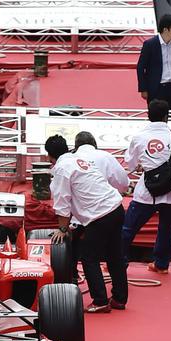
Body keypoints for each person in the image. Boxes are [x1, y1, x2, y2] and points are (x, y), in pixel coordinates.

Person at [46, 134, 128, 313]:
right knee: (115, 255)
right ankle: (119, 298)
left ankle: (100, 301)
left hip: (100, 215)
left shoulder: (61, 169)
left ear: (50, 156)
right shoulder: (78, 160)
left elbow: (62, 201)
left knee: (89, 257)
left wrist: (63, 228)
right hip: (116, 208)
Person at [122, 99, 171, 274]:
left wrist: (144, 165)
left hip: (147, 191)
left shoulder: (139, 137)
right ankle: (161, 265)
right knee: (166, 229)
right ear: (166, 116)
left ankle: (118, 261)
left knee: (128, 228)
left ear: (148, 115)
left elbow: (130, 162)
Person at [136, 14, 171, 110]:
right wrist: (143, 88)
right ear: (165, 29)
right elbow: (140, 67)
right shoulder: (150, 44)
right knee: (157, 115)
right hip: (157, 88)